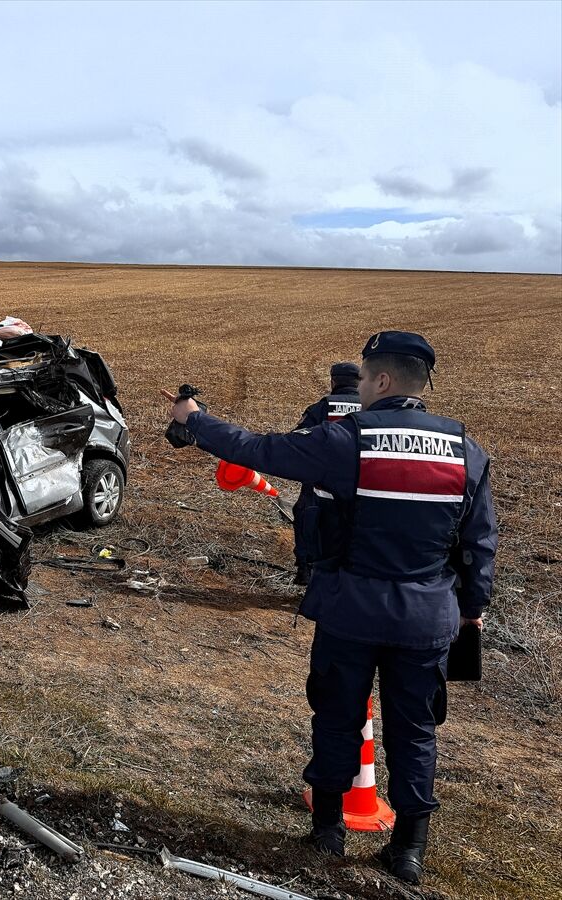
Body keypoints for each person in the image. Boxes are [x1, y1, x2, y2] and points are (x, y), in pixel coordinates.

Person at [163, 331, 496, 885]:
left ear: (382, 380)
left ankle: (327, 832)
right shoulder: (466, 450)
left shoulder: (348, 441)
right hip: (427, 619)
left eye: (363, 378)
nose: (358, 389)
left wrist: (195, 418)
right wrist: (471, 608)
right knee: (415, 732)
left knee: (339, 719)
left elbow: (256, 449)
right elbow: (479, 543)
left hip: (351, 611)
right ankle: (408, 850)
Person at [291, 362, 362, 584]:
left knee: (306, 518)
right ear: (359, 383)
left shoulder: (322, 408)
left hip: (320, 485)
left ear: (333, 382)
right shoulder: (372, 408)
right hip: (362, 484)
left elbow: (296, 441)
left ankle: (305, 569)